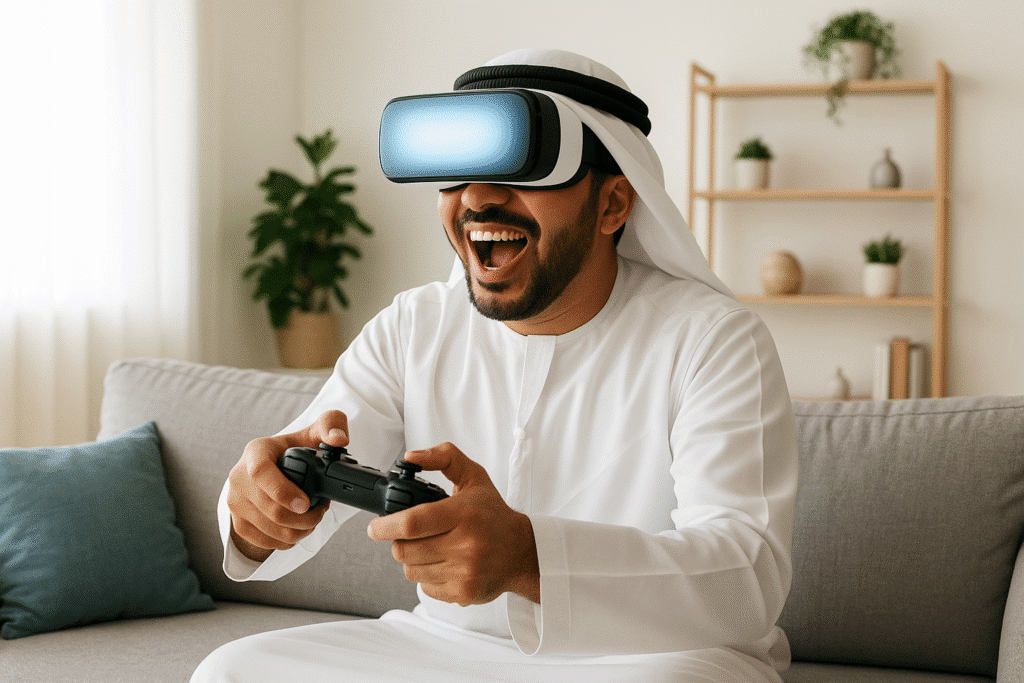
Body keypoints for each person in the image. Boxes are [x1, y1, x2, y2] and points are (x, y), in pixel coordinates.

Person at [192, 48, 798, 683]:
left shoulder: (713, 340)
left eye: (521, 169)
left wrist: (529, 559)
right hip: (444, 647)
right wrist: (260, 512)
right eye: (457, 174)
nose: (477, 200)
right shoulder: (414, 325)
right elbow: (304, 466)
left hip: (654, 656)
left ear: (613, 205)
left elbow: (745, 574)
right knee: (233, 670)